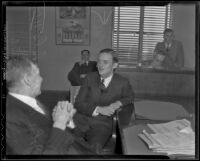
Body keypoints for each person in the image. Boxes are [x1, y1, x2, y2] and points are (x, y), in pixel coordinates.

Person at [6, 56, 95, 155]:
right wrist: (60, 122)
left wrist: (67, 120)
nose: (41, 79)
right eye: (38, 75)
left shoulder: (36, 103)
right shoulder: (9, 116)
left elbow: (58, 134)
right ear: (27, 80)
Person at [72, 48, 134, 154]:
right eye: (99, 61)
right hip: (81, 120)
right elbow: (78, 103)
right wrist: (99, 109)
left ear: (115, 65)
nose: (100, 65)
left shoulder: (122, 82)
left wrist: (118, 103)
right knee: (64, 142)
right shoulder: (90, 78)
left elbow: (130, 97)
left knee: (95, 149)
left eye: (105, 62)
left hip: (102, 125)